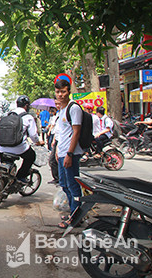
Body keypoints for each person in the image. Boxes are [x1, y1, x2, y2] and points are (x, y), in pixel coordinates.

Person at [55, 79, 83, 228]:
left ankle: (76, 216)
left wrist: (69, 154)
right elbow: (62, 133)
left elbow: (76, 132)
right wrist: (58, 151)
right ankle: (74, 213)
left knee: (73, 185)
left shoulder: (74, 108)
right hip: (62, 153)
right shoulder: (62, 109)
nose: (60, 95)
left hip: (70, 154)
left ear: (68, 91)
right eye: (58, 92)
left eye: (63, 92)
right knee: (64, 185)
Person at [0, 95, 45, 183]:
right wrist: (38, 142)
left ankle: (5, 179)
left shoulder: (7, 115)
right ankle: (20, 177)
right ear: (26, 106)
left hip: (2, 148)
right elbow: (33, 135)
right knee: (31, 156)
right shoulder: (28, 117)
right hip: (19, 148)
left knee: (5, 162)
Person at [46, 103, 60, 184]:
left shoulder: (64, 113)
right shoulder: (58, 115)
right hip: (56, 138)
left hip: (61, 141)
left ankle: (60, 179)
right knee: (52, 160)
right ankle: (57, 178)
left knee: (56, 160)